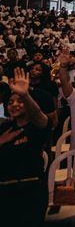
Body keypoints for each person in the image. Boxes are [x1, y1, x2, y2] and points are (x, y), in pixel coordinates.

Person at [0, 68, 50, 226]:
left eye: (19, 101)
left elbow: (39, 116)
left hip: (30, 191)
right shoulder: (3, 128)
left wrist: (25, 94)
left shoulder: (36, 127)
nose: (14, 105)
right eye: (10, 102)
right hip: (4, 193)